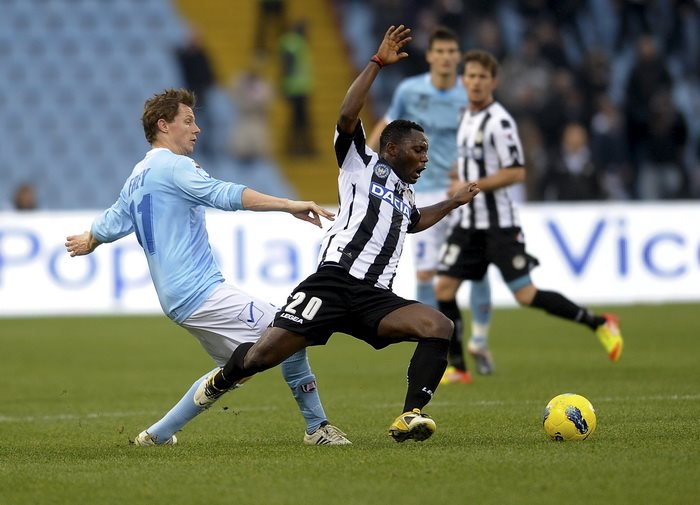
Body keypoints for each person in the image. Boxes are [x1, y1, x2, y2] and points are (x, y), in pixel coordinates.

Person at [193, 25, 481, 444]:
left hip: (374, 296)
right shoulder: (359, 162)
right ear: (392, 148)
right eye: (418, 150)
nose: (424, 159)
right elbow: (347, 116)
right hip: (332, 283)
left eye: (426, 152)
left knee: (438, 325)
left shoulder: (405, 194)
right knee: (262, 356)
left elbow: (414, 221)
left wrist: (453, 202)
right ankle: (222, 380)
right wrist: (377, 62)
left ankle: (411, 415)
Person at [65, 88, 351, 446]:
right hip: (199, 292)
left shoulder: (138, 175)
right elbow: (224, 194)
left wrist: (90, 239)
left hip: (177, 299)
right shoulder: (174, 167)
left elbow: (112, 221)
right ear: (163, 125)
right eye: (188, 121)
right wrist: (288, 204)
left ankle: (157, 435)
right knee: (289, 331)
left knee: (240, 369)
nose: (196, 128)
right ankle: (317, 428)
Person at [434, 50, 624, 369]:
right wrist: (457, 177)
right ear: (463, 80)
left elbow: (516, 172)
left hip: (499, 226)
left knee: (525, 295)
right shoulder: (465, 116)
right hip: (467, 224)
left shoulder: (500, 122)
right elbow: (471, 163)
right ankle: (458, 368)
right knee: (444, 288)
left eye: (482, 77)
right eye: (471, 76)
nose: (476, 82)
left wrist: (471, 184)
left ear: (493, 82)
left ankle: (600, 323)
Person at [367, 26, 492, 381]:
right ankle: (431, 340)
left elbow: (487, 141)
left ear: (458, 56)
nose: (447, 58)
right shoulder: (410, 91)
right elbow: (385, 128)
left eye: (453, 52)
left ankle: (479, 340)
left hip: (462, 191)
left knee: (475, 267)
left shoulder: (470, 94)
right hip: (422, 193)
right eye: (441, 51)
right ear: (431, 56)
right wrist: (366, 165)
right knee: (425, 272)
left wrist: (473, 174)